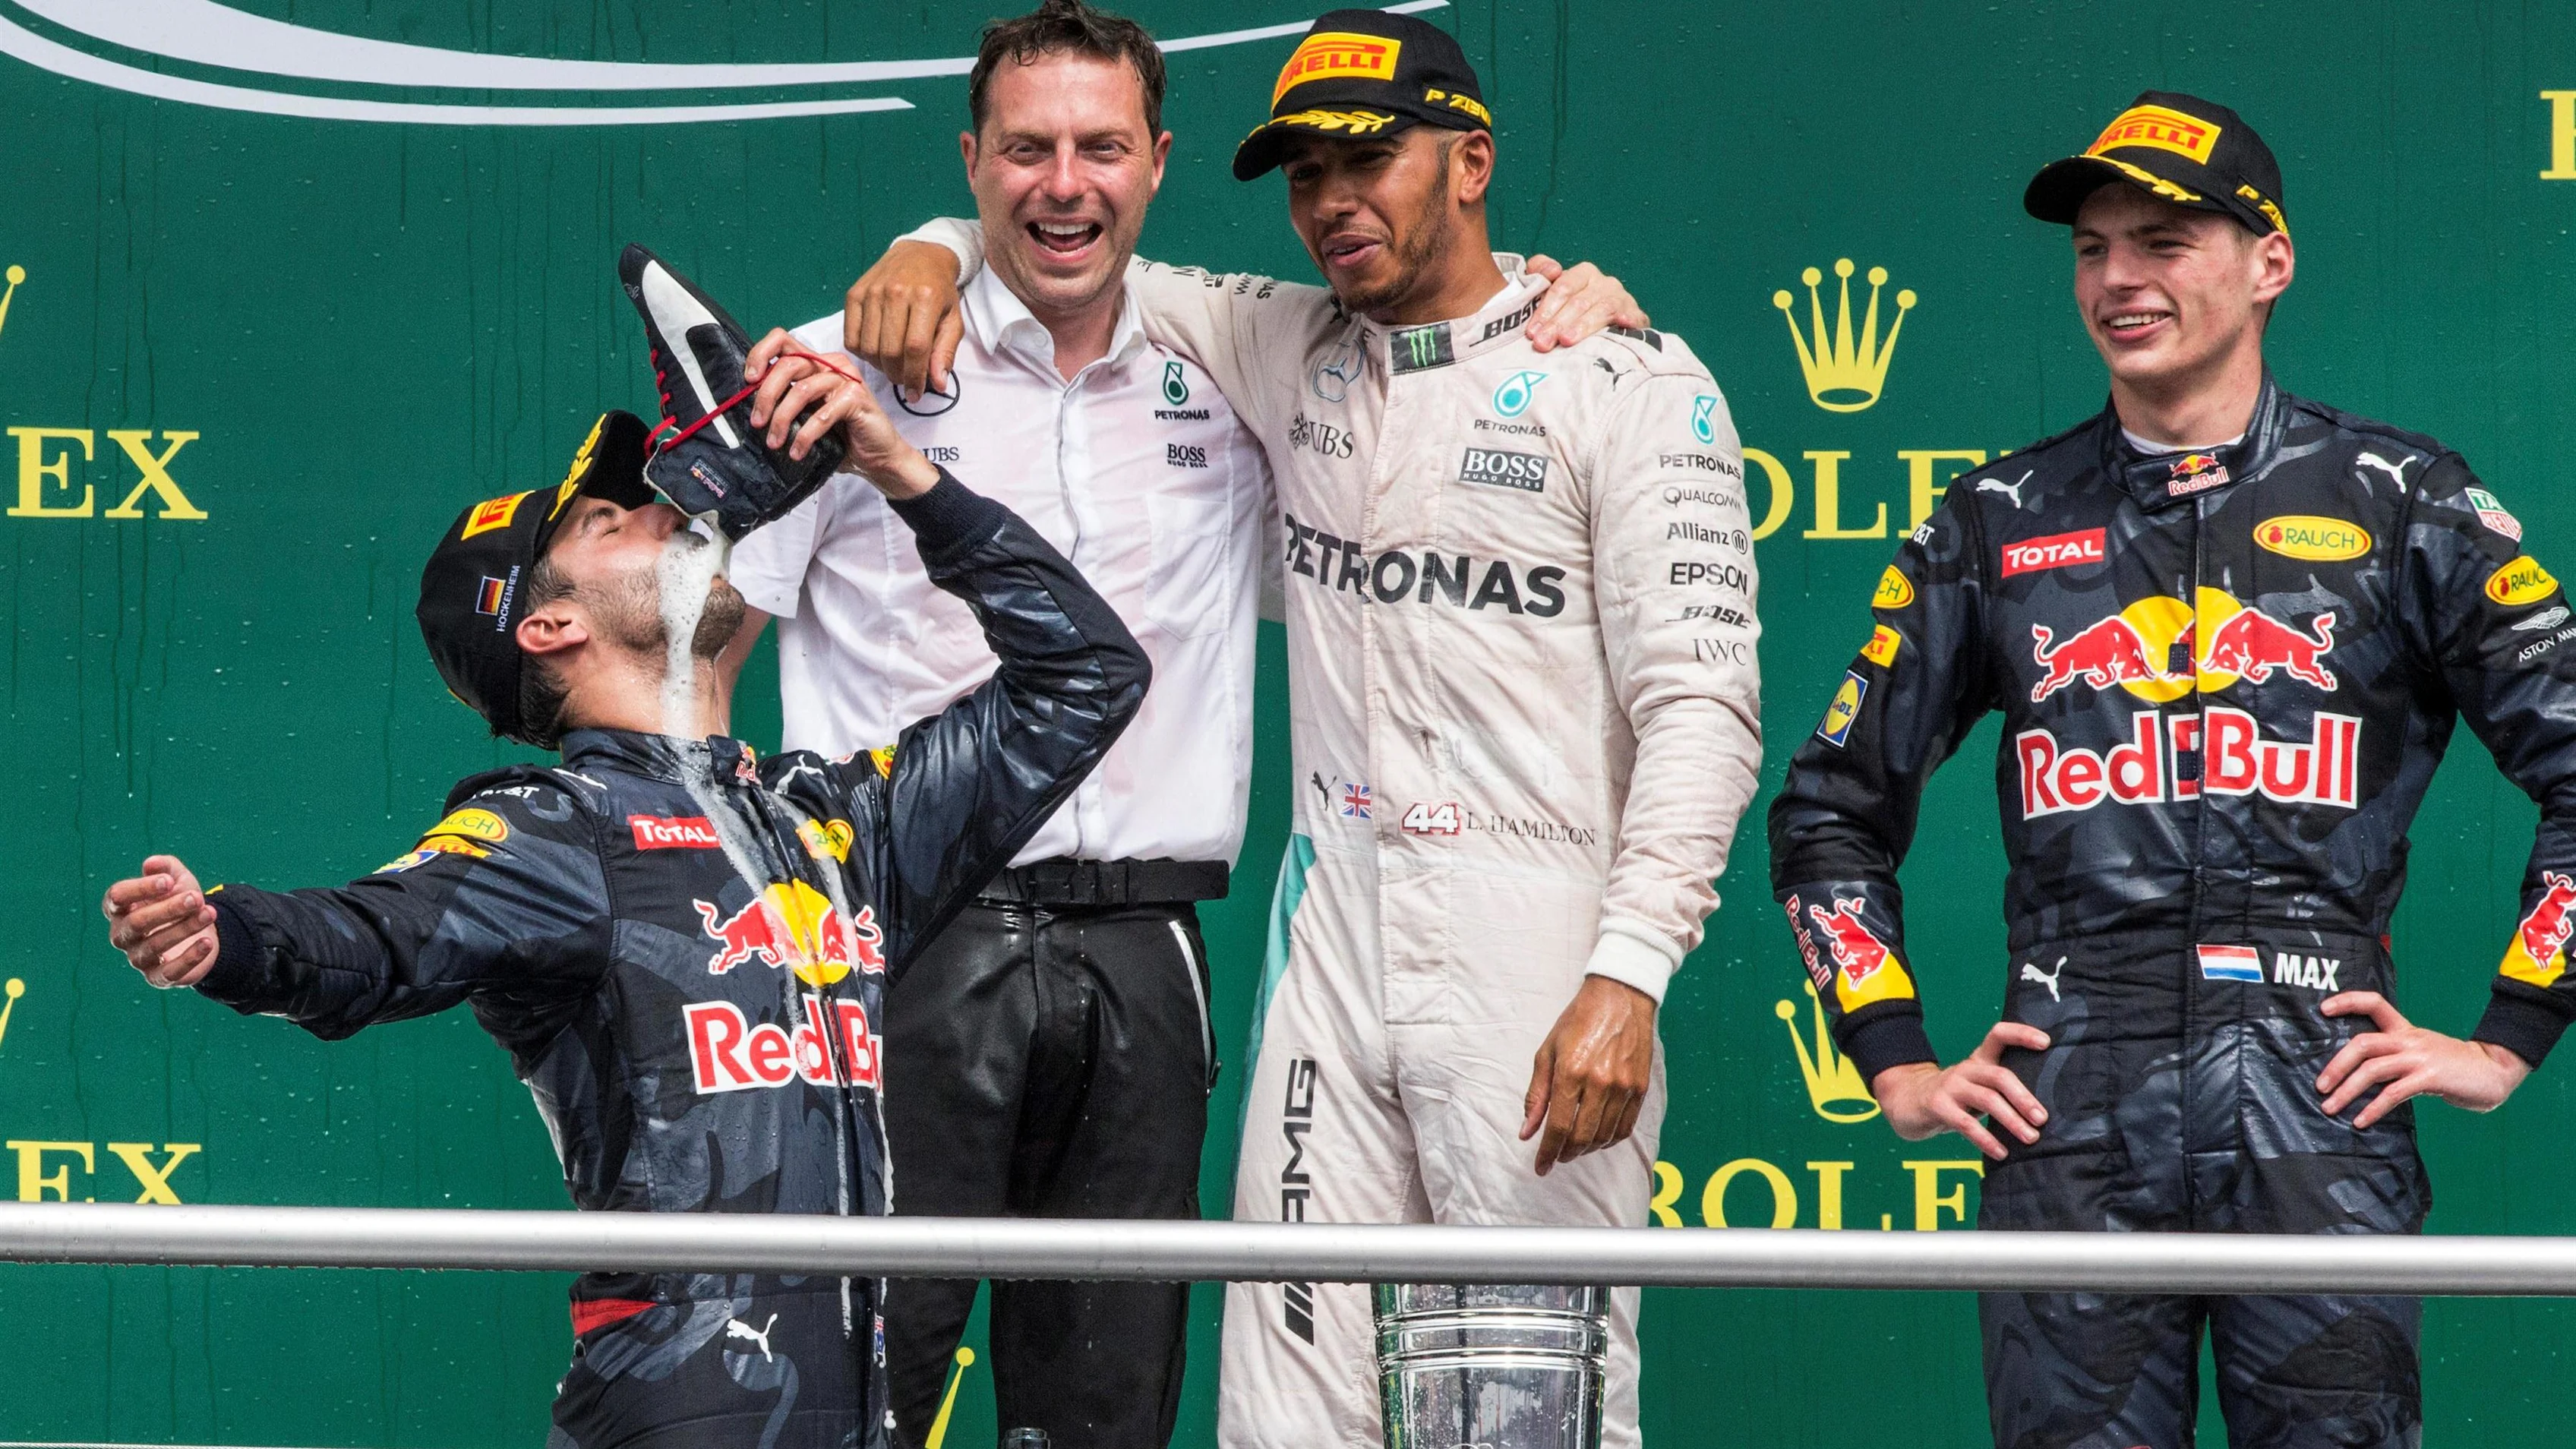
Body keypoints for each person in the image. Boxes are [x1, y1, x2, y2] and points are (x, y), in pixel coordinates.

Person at [726, 4, 1645, 1444]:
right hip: (893, 940)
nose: (1063, 183)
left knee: (1104, 1413)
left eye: (1102, 147)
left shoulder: (1240, 359)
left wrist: (1558, 293)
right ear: (971, 164)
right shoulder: (841, 362)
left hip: (1145, 953)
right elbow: (706, 647)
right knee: (848, 1398)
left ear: (1160, 162)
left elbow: (1438, 351)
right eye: (1024, 152)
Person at [96, 250, 1149, 1449]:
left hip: (859, 1419)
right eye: (613, 518)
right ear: (548, 625)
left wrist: (898, 471)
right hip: (676, 1413)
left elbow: (1088, 678)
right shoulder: (561, 828)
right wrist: (230, 935)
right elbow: (381, 934)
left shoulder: (837, 824)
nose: (668, 507)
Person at [1769, 90, 2576, 1449]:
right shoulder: (1995, 521)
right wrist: (1891, 1054)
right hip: (2069, 1102)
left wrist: (2510, 1036)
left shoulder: (2401, 498)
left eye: (2163, 242)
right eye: (2093, 249)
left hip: (2321, 1098)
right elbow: (1828, 810)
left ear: (2272, 263)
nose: (2119, 280)